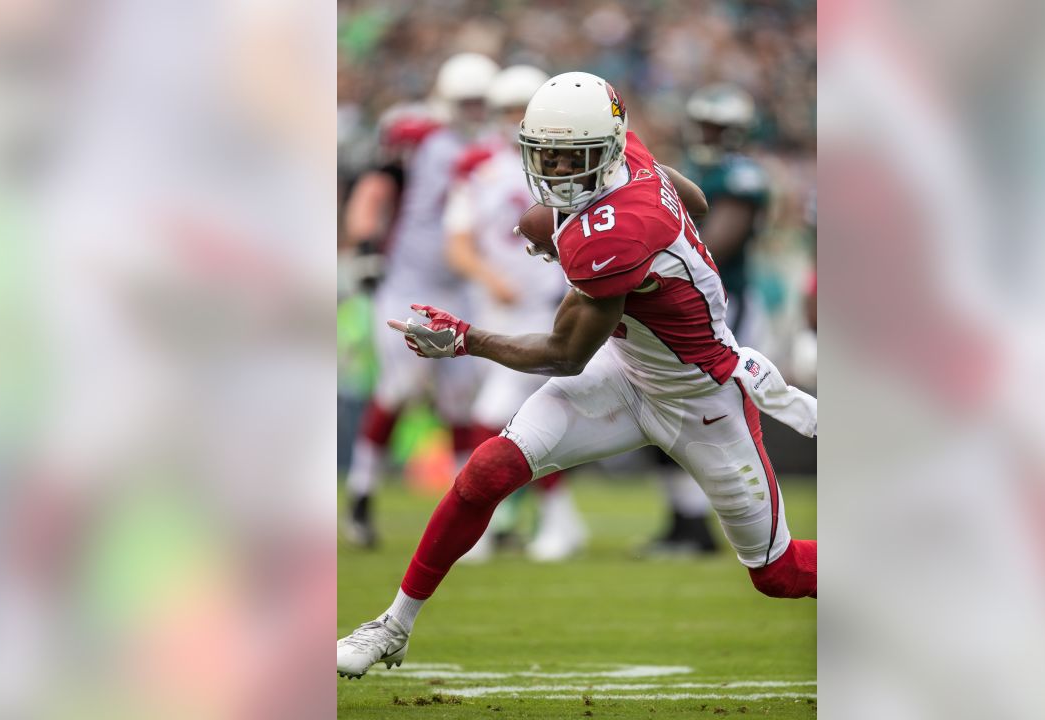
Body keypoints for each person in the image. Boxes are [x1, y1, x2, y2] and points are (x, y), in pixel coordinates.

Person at [337, 72, 818, 678]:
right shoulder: (630, 155)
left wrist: (465, 340)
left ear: (606, 150)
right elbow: (692, 198)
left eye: (572, 157)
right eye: (548, 155)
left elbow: (565, 355)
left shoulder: (615, 232)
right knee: (488, 468)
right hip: (627, 370)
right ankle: (394, 625)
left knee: (778, 575)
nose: (557, 170)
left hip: (702, 401)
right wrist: (658, 207)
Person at [340, 53, 500, 548]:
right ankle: (362, 491)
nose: (474, 111)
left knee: (461, 399)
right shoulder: (420, 138)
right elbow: (374, 188)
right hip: (412, 283)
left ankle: (462, 512)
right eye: (466, 101)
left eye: (480, 102)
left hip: (462, 286)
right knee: (401, 386)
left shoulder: (497, 147)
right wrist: (366, 246)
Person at [444, 65, 587, 563]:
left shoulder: (571, 165)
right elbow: (457, 243)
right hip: (500, 311)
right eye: (507, 109)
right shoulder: (478, 165)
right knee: (533, 422)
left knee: (498, 415)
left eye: (521, 109)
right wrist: (491, 279)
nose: (514, 120)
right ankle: (559, 520)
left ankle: (479, 525)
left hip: (552, 309)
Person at [643, 83, 775, 556]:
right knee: (664, 412)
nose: (708, 134)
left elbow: (714, 246)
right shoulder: (695, 171)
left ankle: (701, 526)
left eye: (717, 127)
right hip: (679, 306)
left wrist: (647, 257)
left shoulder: (741, 176)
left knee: (704, 413)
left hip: (722, 306)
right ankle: (684, 523)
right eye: (704, 124)